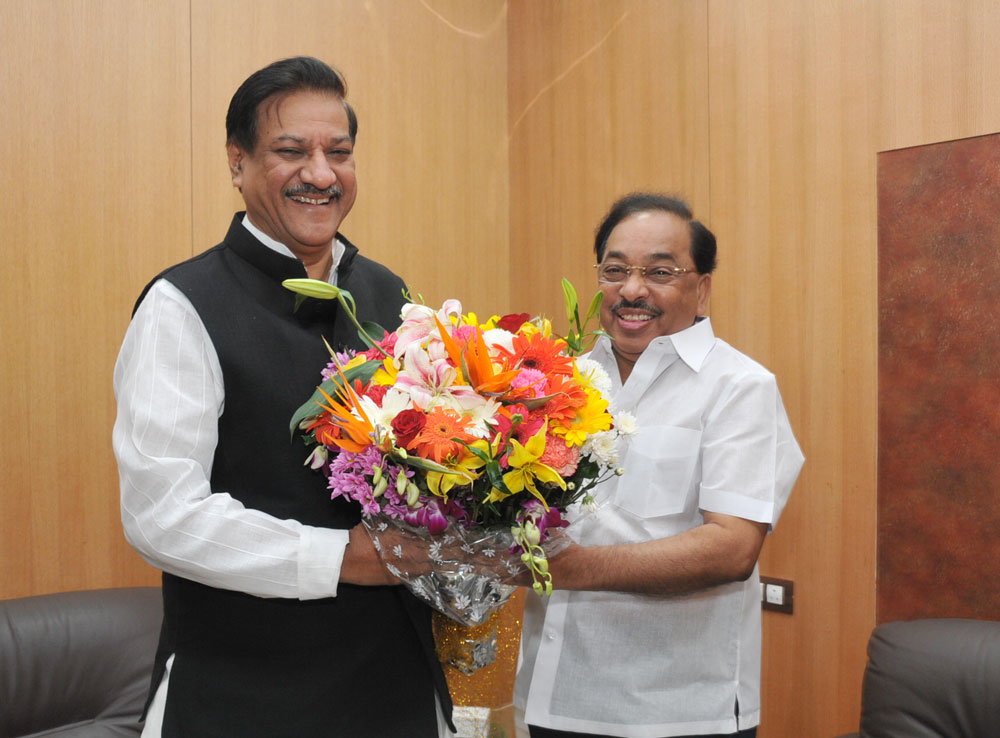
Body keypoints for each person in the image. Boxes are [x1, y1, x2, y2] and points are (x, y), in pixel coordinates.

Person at [113, 57, 454, 738]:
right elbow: (161, 515)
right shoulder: (183, 305)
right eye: (291, 152)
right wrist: (343, 558)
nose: (321, 175)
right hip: (242, 691)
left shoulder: (394, 297)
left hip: (396, 688)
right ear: (237, 164)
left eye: (340, 153)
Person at [514, 193, 805, 738]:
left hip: (678, 711)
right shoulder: (559, 383)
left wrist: (569, 569)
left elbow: (731, 547)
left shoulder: (739, 387)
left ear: (702, 288)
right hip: (551, 696)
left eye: (660, 272)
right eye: (615, 269)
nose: (632, 290)